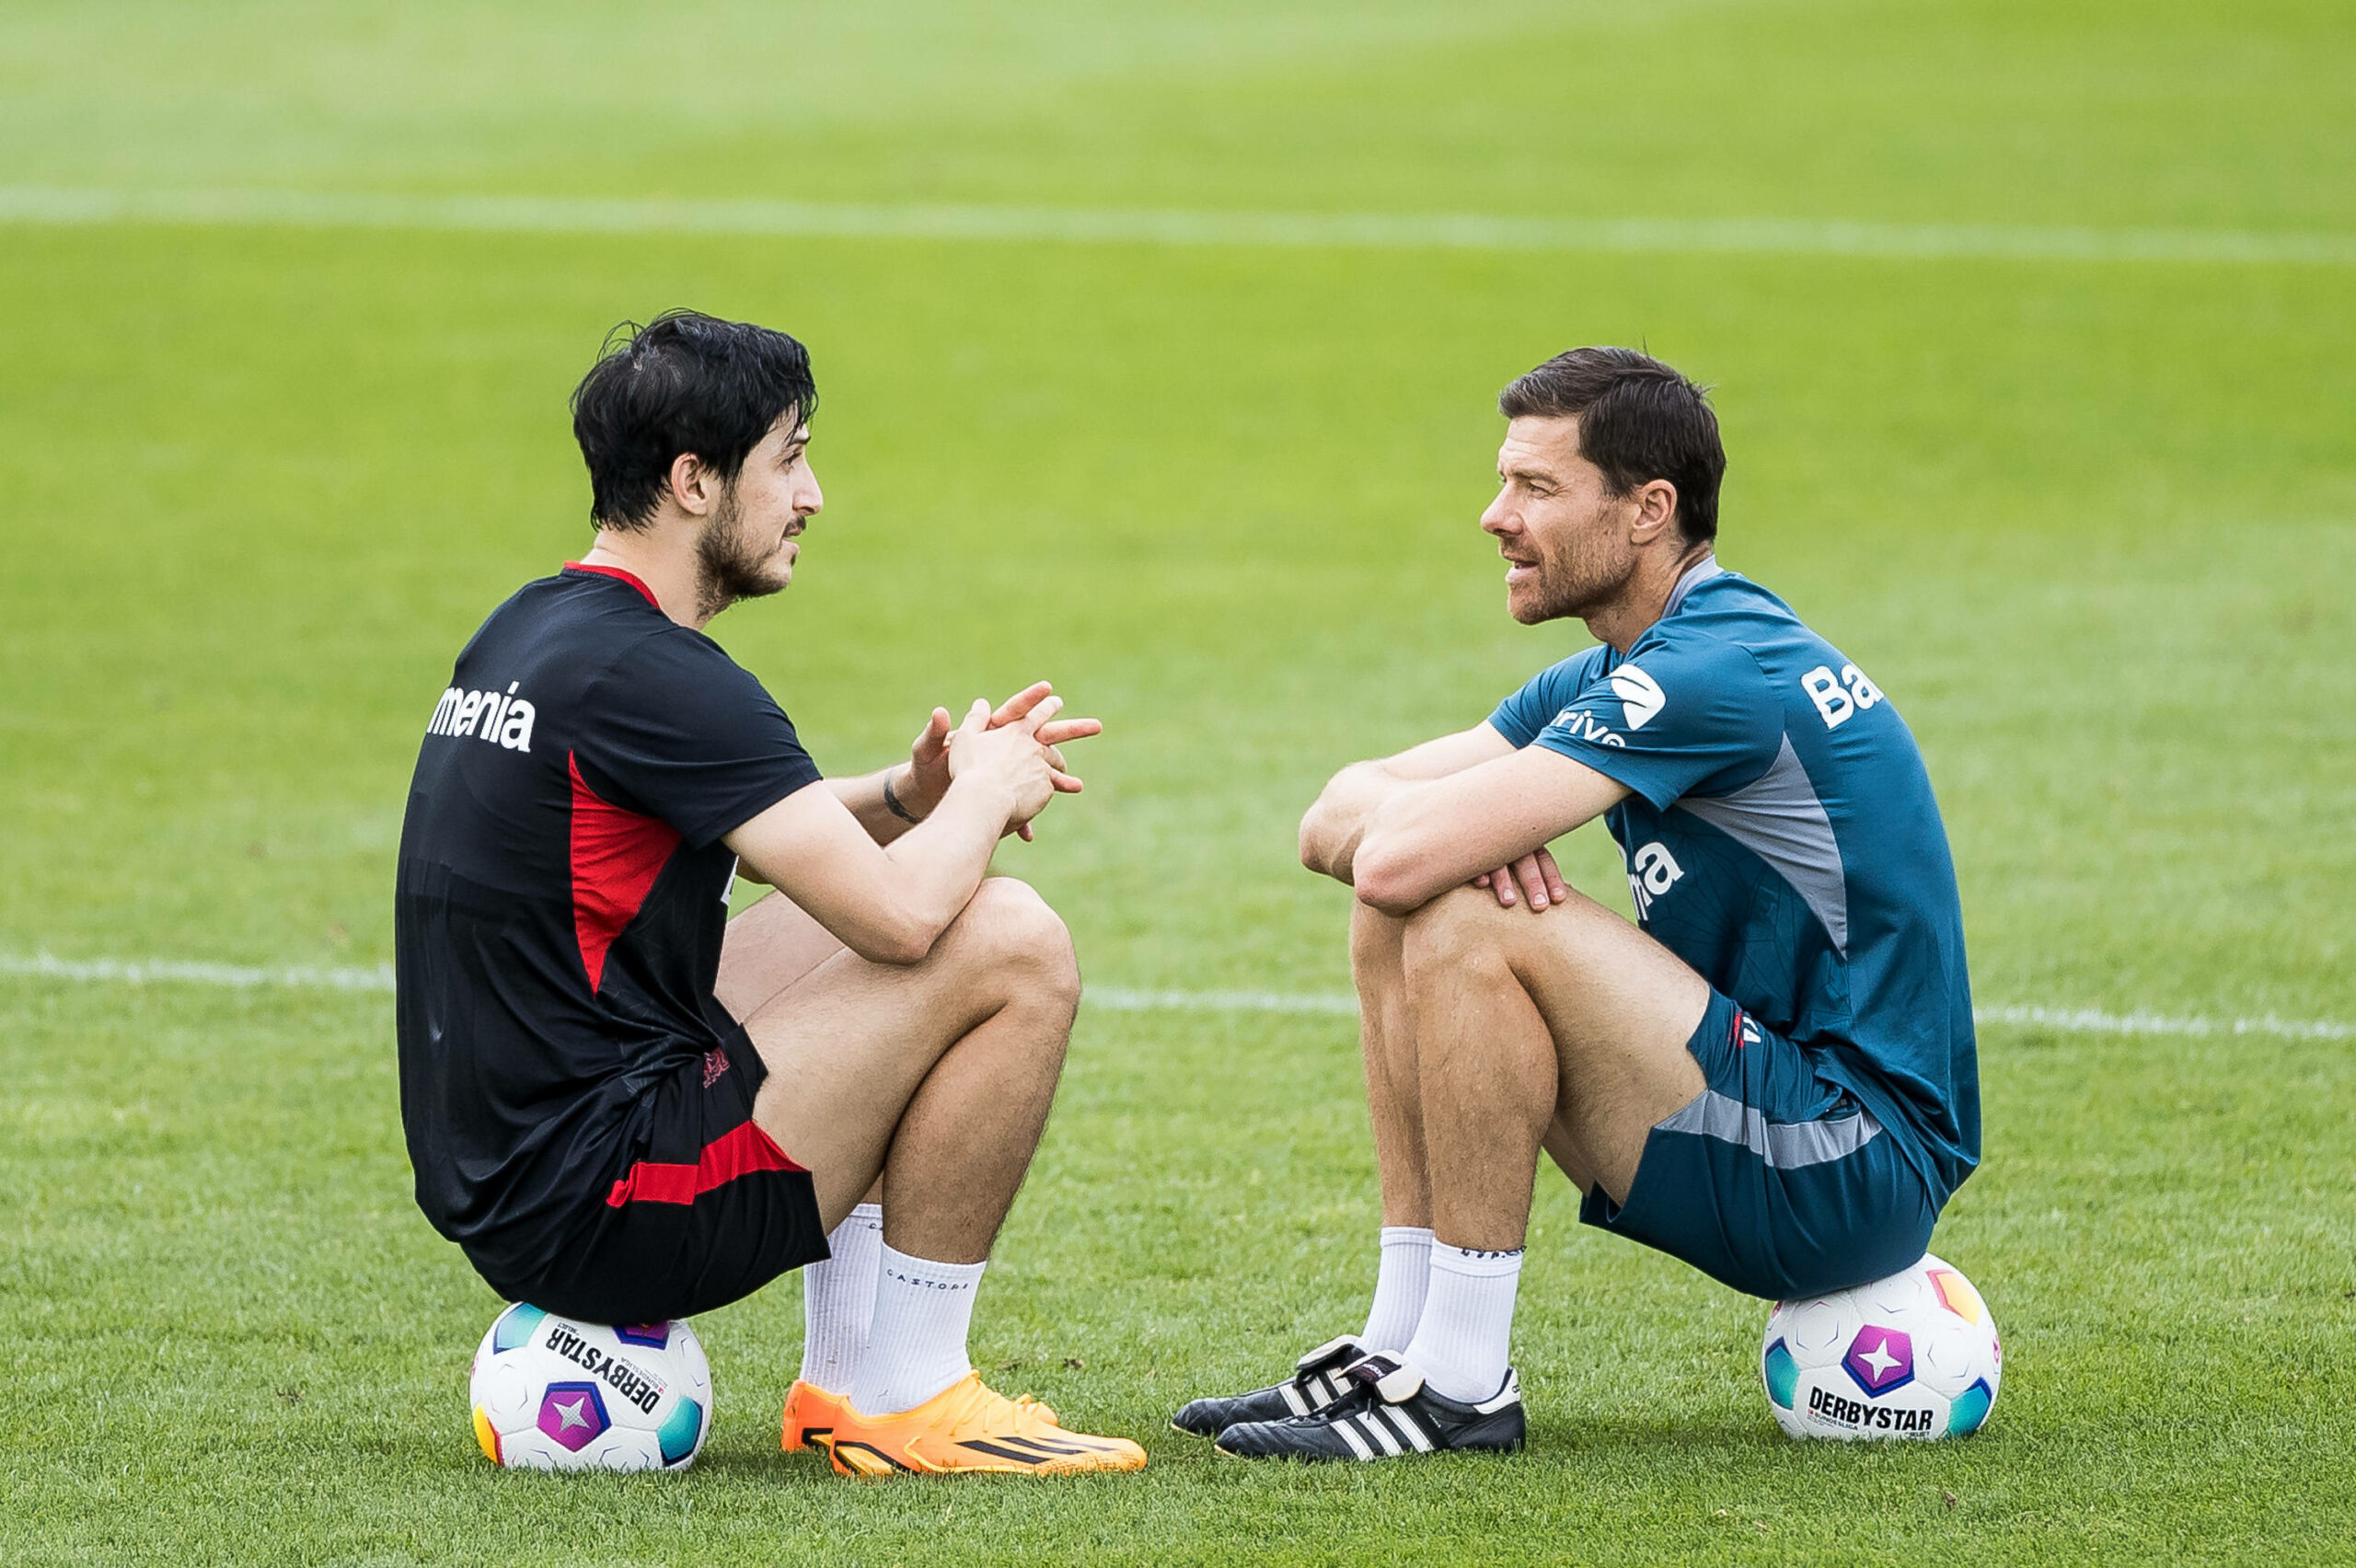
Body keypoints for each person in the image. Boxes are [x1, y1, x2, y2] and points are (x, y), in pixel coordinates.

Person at [1175, 347, 1979, 1462]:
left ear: (1649, 510)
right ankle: (1399, 1345)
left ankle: (1460, 1386)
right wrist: (1449, 841)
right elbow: (1336, 817)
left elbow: (1399, 855)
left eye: (1535, 489)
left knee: (1454, 908)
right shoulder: (1625, 666)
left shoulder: (1710, 675)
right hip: (1775, 1107)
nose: (1494, 517)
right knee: (1415, 898)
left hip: (1847, 1161)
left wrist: (1452, 847)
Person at [395, 311, 1144, 1477]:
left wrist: (914, 792)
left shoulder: (539, 627)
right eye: (787, 458)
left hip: (519, 1177)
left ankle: (840, 1385)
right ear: (694, 482)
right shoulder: (664, 676)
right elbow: (898, 919)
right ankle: (905, 1394)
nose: (813, 494)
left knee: (884, 910)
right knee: (1003, 934)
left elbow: (750, 845)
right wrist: (988, 797)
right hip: (608, 1203)